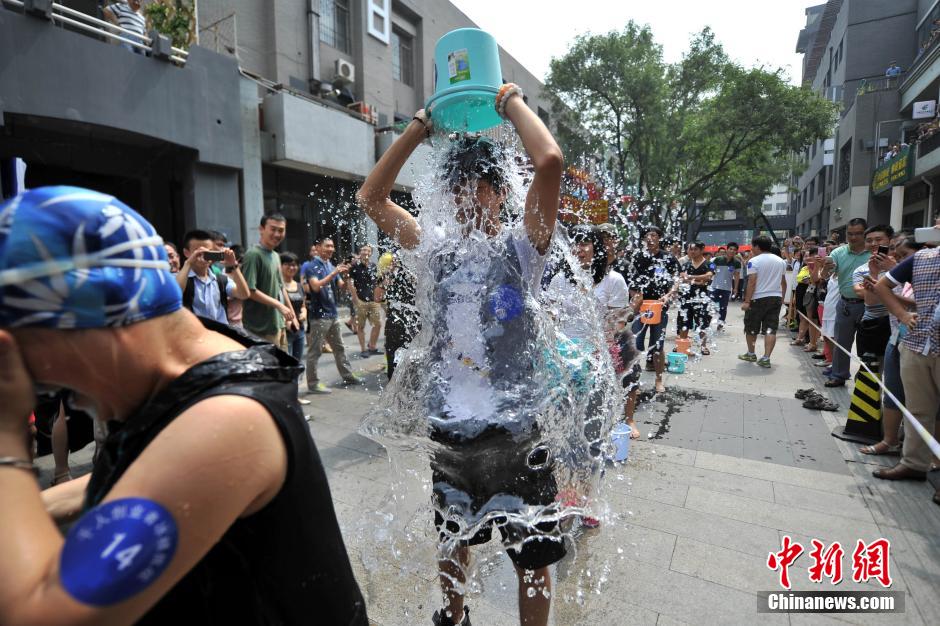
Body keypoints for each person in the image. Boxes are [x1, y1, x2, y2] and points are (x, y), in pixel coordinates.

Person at [0, 186, 367, 624]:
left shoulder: (229, 419)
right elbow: (142, 477)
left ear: (89, 320)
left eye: (32, 365)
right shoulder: (203, 375)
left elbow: (41, 616)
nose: (48, 391)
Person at [357, 79, 565, 626]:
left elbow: (549, 161)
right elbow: (371, 198)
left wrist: (511, 103)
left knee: (533, 558)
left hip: (518, 431)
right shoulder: (434, 252)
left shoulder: (524, 251)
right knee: (452, 542)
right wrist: (419, 127)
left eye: (481, 186)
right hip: (449, 429)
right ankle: (453, 619)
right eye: (457, 186)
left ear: (500, 193)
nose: (468, 196)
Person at [872, 229, 940, 505]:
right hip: (917, 342)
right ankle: (913, 462)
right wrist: (901, 314)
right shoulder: (922, 257)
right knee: (917, 408)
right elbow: (882, 285)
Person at [859, 235, 923, 456]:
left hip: (922, 344)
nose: (896, 258)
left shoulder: (925, 272)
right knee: (893, 391)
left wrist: (888, 290)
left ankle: (924, 452)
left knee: (921, 400)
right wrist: (877, 279)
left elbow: (926, 301)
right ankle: (889, 440)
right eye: (895, 253)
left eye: (903, 255)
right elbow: (871, 301)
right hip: (896, 338)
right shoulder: (893, 276)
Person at [303, 237, 360, 394]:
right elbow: (315, 286)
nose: (331, 249)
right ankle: (313, 384)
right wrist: (335, 272)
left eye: (332, 246)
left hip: (332, 314)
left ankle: (347, 376)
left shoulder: (330, 265)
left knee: (339, 348)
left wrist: (347, 276)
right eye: (327, 246)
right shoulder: (311, 266)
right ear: (318, 247)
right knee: (315, 351)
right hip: (318, 315)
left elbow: (342, 287)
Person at [628, 226, 680, 393]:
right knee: (636, 344)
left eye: (653, 235)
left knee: (657, 345)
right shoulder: (637, 257)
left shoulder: (668, 258)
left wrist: (669, 295)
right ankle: (633, 382)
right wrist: (635, 297)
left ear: (659, 238)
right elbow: (629, 279)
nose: (650, 238)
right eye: (647, 236)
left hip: (659, 306)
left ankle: (658, 380)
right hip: (640, 306)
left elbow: (677, 280)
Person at [825, 218, 870, 387]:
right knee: (841, 342)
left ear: (865, 233)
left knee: (866, 345)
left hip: (870, 305)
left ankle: (865, 376)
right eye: (850, 234)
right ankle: (839, 374)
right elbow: (825, 275)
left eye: (858, 234)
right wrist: (824, 267)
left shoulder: (874, 253)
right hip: (845, 304)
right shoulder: (838, 253)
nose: (853, 237)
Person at [240, 214, 296, 349]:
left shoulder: (276, 255)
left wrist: (291, 312)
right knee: (268, 369)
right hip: (260, 329)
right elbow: (249, 291)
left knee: (282, 368)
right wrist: (279, 305)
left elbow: (281, 286)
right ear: (261, 229)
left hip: (278, 325)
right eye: (273, 229)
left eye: (281, 230)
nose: (277, 234)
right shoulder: (253, 255)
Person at [176, 229, 249, 325]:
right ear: (186, 253)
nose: (203, 256)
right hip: (196, 336)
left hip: (220, 335)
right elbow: (175, 293)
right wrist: (189, 263)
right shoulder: (180, 278)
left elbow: (243, 294)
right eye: (198, 252)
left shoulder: (220, 280)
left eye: (209, 252)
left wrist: (233, 265)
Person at [739, 235, 787, 368]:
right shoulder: (781, 261)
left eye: (752, 246)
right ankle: (766, 358)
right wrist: (781, 299)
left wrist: (747, 301)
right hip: (775, 297)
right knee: (771, 329)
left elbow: (752, 282)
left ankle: (751, 353)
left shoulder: (753, 261)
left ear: (757, 247)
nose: (751, 248)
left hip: (757, 298)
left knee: (751, 327)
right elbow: (783, 282)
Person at [850, 225, 895, 364]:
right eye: (869, 240)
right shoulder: (861, 270)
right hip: (873, 323)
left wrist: (892, 269)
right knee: (871, 370)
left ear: (890, 240)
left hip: (898, 323)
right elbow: (864, 296)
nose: (874, 243)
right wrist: (874, 273)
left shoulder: (901, 264)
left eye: (878, 239)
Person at [374, 253, 419, 380]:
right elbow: (377, 297)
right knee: (393, 371)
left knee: (414, 371)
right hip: (394, 327)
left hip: (415, 328)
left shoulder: (420, 273)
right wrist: (389, 272)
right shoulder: (390, 275)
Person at [280, 252, 310, 406]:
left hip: (299, 329)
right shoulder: (278, 286)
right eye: (288, 264)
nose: (292, 267)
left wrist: (304, 313)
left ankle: (294, 395)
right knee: (287, 364)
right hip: (285, 331)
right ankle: (286, 397)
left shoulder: (298, 285)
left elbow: (303, 305)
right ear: (281, 266)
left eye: (294, 264)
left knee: (297, 363)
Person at [676, 241, 713, 354]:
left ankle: (703, 346)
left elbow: (708, 276)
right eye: (690, 249)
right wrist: (699, 281)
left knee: (703, 322)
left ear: (702, 250)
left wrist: (691, 278)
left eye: (695, 249)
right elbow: (682, 278)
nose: (692, 251)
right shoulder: (686, 264)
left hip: (702, 298)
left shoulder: (709, 264)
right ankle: (682, 345)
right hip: (686, 297)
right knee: (684, 322)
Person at [348, 244, 384, 358]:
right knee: (361, 326)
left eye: (368, 250)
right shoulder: (354, 266)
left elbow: (378, 282)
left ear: (371, 253)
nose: (365, 252)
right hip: (361, 300)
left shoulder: (374, 266)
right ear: (360, 252)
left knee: (378, 324)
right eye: (363, 250)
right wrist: (355, 298)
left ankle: (372, 346)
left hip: (373, 301)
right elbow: (350, 282)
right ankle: (363, 349)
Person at [710, 242, 741, 330]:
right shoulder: (717, 259)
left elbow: (737, 276)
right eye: (730, 249)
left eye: (734, 250)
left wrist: (735, 288)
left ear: (736, 252)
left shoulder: (737, 263)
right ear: (727, 249)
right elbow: (710, 271)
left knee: (723, 308)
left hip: (726, 289)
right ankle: (706, 323)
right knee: (710, 306)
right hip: (714, 287)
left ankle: (720, 325)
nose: (732, 251)